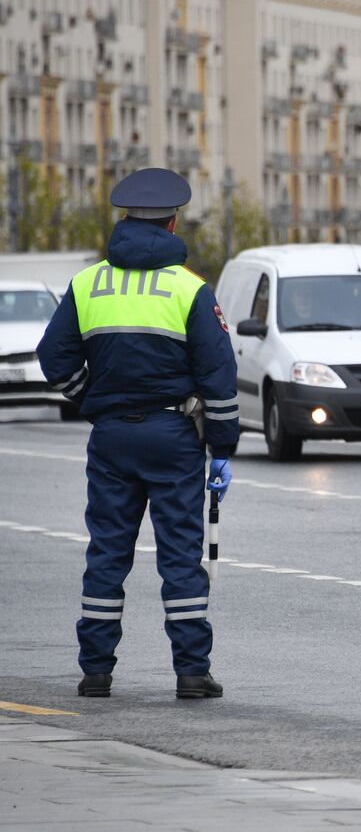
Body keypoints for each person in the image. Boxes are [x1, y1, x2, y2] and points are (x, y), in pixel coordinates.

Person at [37, 168, 239, 701]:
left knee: (107, 553)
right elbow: (219, 374)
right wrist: (221, 447)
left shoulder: (88, 283)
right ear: (173, 223)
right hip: (173, 435)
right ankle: (192, 672)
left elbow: (52, 358)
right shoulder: (189, 289)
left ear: (123, 220)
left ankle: (95, 672)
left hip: (110, 438)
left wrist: (90, 396)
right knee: (179, 557)